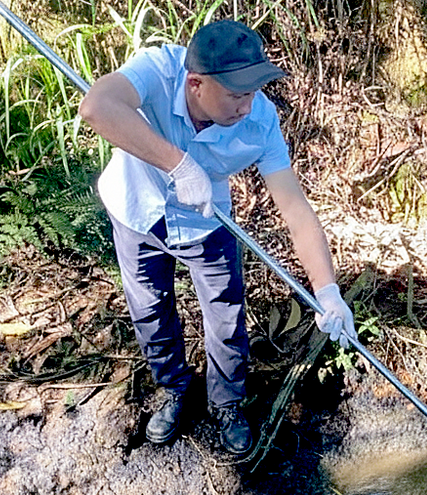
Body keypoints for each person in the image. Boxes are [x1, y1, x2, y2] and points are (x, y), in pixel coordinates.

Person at [78, 20, 355, 455]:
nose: (247, 106)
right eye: (236, 94)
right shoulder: (160, 70)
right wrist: (179, 165)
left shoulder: (260, 121)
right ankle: (173, 389)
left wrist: (328, 290)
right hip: (136, 210)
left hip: (207, 223)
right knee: (149, 309)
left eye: (251, 93)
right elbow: (97, 107)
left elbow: (296, 210)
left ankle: (226, 403)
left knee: (226, 318)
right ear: (196, 84)